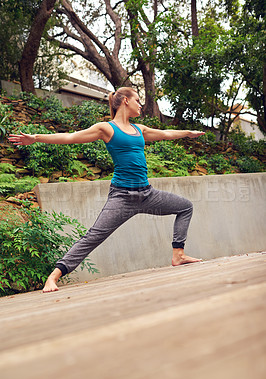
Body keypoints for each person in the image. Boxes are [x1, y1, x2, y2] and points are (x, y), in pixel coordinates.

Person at [8, 87, 205, 293]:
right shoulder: (107, 128)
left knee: (185, 207)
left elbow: (165, 134)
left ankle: (178, 254)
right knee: (94, 236)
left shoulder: (140, 130)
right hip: (122, 197)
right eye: (138, 100)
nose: (141, 104)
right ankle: (53, 277)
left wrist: (188, 133)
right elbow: (71, 137)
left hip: (147, 194)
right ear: (126, 101)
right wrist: (36, 138)